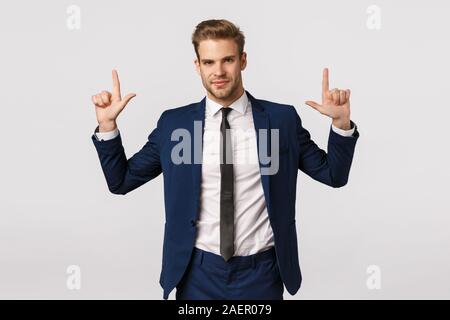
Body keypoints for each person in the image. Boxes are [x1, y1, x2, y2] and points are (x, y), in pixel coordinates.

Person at [91, 19, 359, 300]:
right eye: (208, 62)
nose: (218, 71)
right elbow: (120, 181)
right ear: (197, 66)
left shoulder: (281, 121)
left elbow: (333, 176)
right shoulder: (175, 125)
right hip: (196, 272)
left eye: (227, 60)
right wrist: (108, 126)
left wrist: (341, 124)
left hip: (261, 272)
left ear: (243, 60)